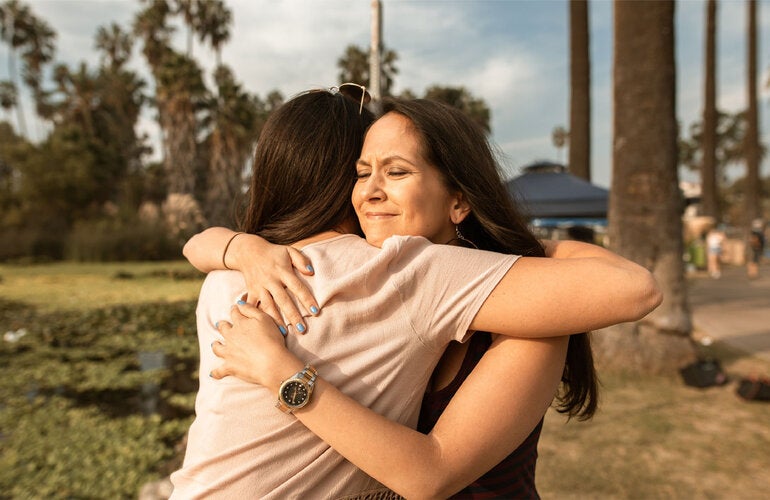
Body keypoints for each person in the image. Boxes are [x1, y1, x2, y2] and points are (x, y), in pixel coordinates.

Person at [173, 92, 662, 499]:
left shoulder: (445, 287)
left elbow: (636, 288)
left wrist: (282, 374)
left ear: (458, 200)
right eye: (361, 174)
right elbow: (198, 245)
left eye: (397, 172)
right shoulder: (381, 280)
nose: (369, 192)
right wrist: (243, 247)